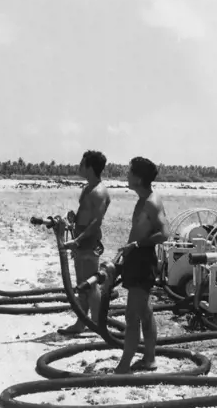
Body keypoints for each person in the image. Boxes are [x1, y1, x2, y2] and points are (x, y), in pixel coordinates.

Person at [114, 157, 169, 374]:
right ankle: (149, 359)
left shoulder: (151, 202)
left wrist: (137, 244)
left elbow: (164, 233)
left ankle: (124, 365)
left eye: (129, 172)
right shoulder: (143, 199)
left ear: (138, 177)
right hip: (136, 258)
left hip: (143, 260)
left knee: (132, 315)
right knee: (144, 312)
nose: (126, 176)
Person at [57, 150, 112, 335]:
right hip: (80, 240)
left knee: (90, 284)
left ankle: (96, 324)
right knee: (82, 284)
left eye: (82, 164)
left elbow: (97, 221)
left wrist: (78, 239)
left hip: (88, 242)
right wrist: (74, 219)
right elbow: (86, 215)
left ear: (90, 167)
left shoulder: (99, 192)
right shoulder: (88, 188)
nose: (79, 167)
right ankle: (82, 323)